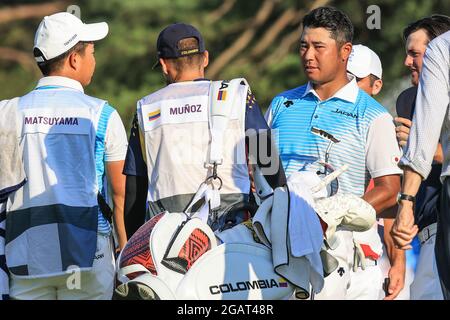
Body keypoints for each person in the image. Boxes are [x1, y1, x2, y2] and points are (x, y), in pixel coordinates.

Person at [266, 6, 402, 300]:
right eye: (303, 45)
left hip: (345, 262)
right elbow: (258, 171)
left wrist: (336, 214)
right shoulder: (279, 104)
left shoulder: (373, 115)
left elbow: (390, 190)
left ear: (345, 51)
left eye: (318, 47)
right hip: (278, 257)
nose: (308, 55)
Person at [4, 12, 128, 300]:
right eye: (91, 52)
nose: (94, 60)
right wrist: (125, 249)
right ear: (74, 59)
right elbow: (120, 195)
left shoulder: (6, 113)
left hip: (24, 256)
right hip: (87, 256)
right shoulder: (102, 114)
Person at [122, 23, 285, 239]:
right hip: (232, 235)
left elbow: (134, 190)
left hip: (166, 239)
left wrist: (134, 242)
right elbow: (269, 161)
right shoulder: (237, 95)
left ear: (163, 65)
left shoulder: (146, 108)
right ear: (205, 58)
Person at [394, 15, 450, 300]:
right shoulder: (406, 100)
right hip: (425, 236)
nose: (407, 62)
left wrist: (436, 152)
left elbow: (430, 153)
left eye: (415, 54)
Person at [346, 44, 406, 300]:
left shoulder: (382, 129)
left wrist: (398, 262)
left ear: (377, 86)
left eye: (356, 80)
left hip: (362, 265)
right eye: (343, 77)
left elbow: (389, 207)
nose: (346, 85)